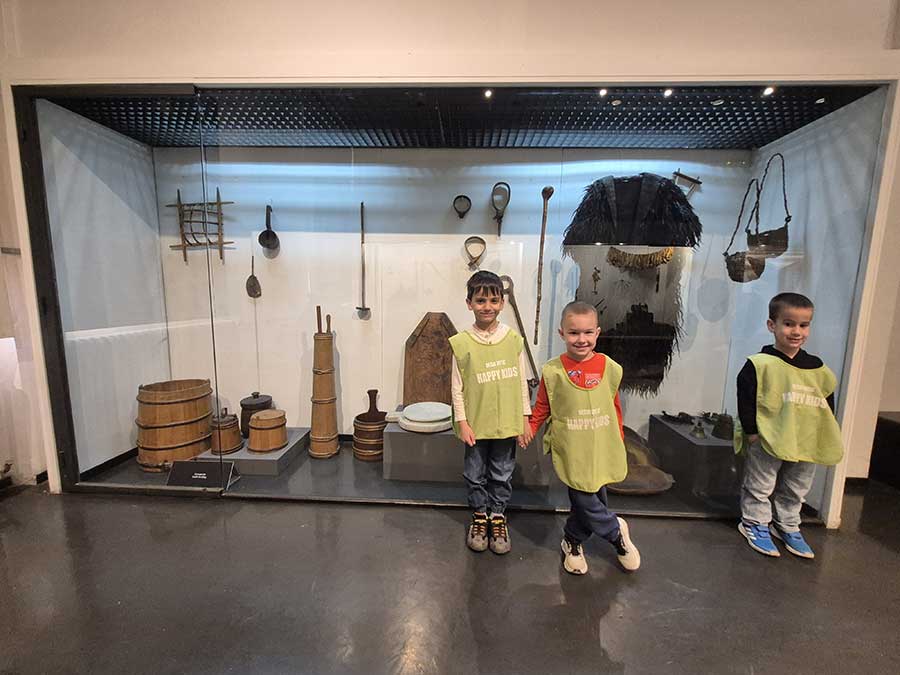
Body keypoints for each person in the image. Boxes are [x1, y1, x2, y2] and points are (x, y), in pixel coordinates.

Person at [523, 301, 640, 575]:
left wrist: (618, 438)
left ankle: (572, 541)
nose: (581, 339)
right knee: (583, 495)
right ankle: (615, 531)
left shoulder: (608, 367)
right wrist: (531, 427)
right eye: (574, 333)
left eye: (588, 332)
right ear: (562, 333)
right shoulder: (553, 371)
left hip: (600, 445)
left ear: (597, 333)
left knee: (592, 498)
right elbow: (543, 405)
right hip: (573, 449)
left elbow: (613, 406)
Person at [735, 292, 844, 559]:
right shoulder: (759, 364)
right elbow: (746, 398)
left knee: (797, 486)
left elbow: (826, 404)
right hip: (768, 438)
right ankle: (754, 522)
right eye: (789, 324)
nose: (796, 331)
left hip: (805, 441)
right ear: (772, 325)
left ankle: (787, 524)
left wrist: (822, 434)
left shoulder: (818, 368)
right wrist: (752, 433)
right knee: (760, 483)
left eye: (803, 325)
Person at [450, 271, 531, 555]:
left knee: (502, 473)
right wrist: (462, 421)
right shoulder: (461, 343)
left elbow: (521, 382)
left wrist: (525, 418)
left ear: (502, 303)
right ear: (469, 303)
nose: (488, 306)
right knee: (475, 473)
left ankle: (497, 516)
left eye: (494, 300)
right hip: (476, 423)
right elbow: (456, 387)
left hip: (506, 423)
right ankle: (479, 515)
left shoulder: (513, 340)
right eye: (481, 300)